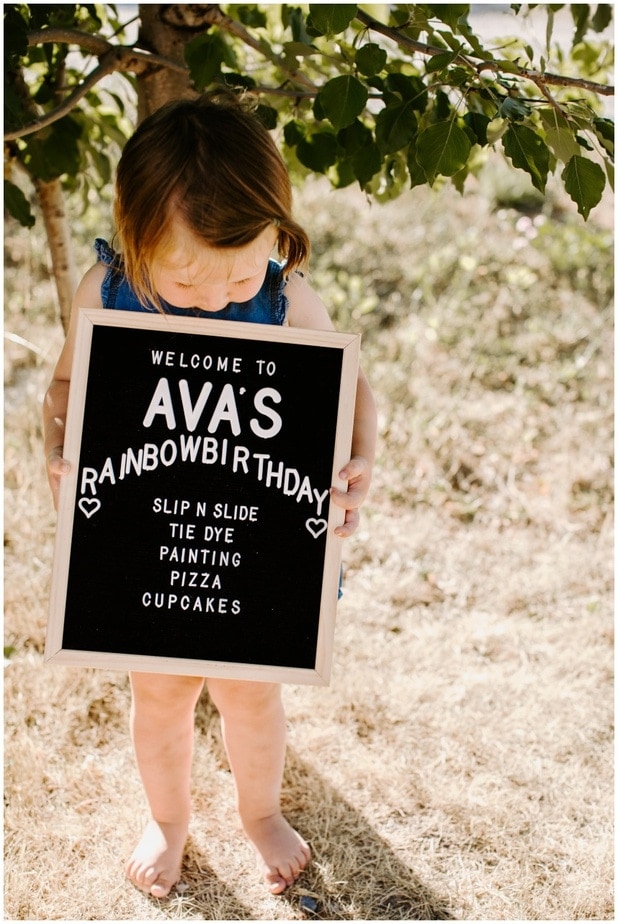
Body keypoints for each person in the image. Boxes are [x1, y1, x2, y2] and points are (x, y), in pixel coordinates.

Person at [43, 89, 377, 899]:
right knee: (158, 696)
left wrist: (361, 454)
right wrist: (57, 445)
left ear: (278, 236)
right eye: (184, 279)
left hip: (254, 546)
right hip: (148, 539)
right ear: (132, 241)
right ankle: (167, 818)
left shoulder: (285, 300)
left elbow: (350, 385)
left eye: (235, 272)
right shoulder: (105, 291)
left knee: (251, 694)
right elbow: (65, 383)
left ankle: (259, 810)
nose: (214, 294)